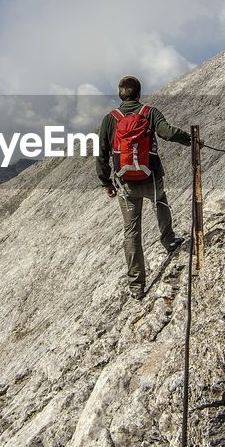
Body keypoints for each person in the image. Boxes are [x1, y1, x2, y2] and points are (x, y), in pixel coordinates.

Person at [96, 75, 191, 299]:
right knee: (161, 204)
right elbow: (167, 132)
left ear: (120, 95)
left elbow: (102, 153)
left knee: (132, 232)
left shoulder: (110, 119)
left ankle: (137, 286)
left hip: (126, 184)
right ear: (139, 93)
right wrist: (190, 139)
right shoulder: (149, 112)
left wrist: (106, 182)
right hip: (151, 177)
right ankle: (168, 241)